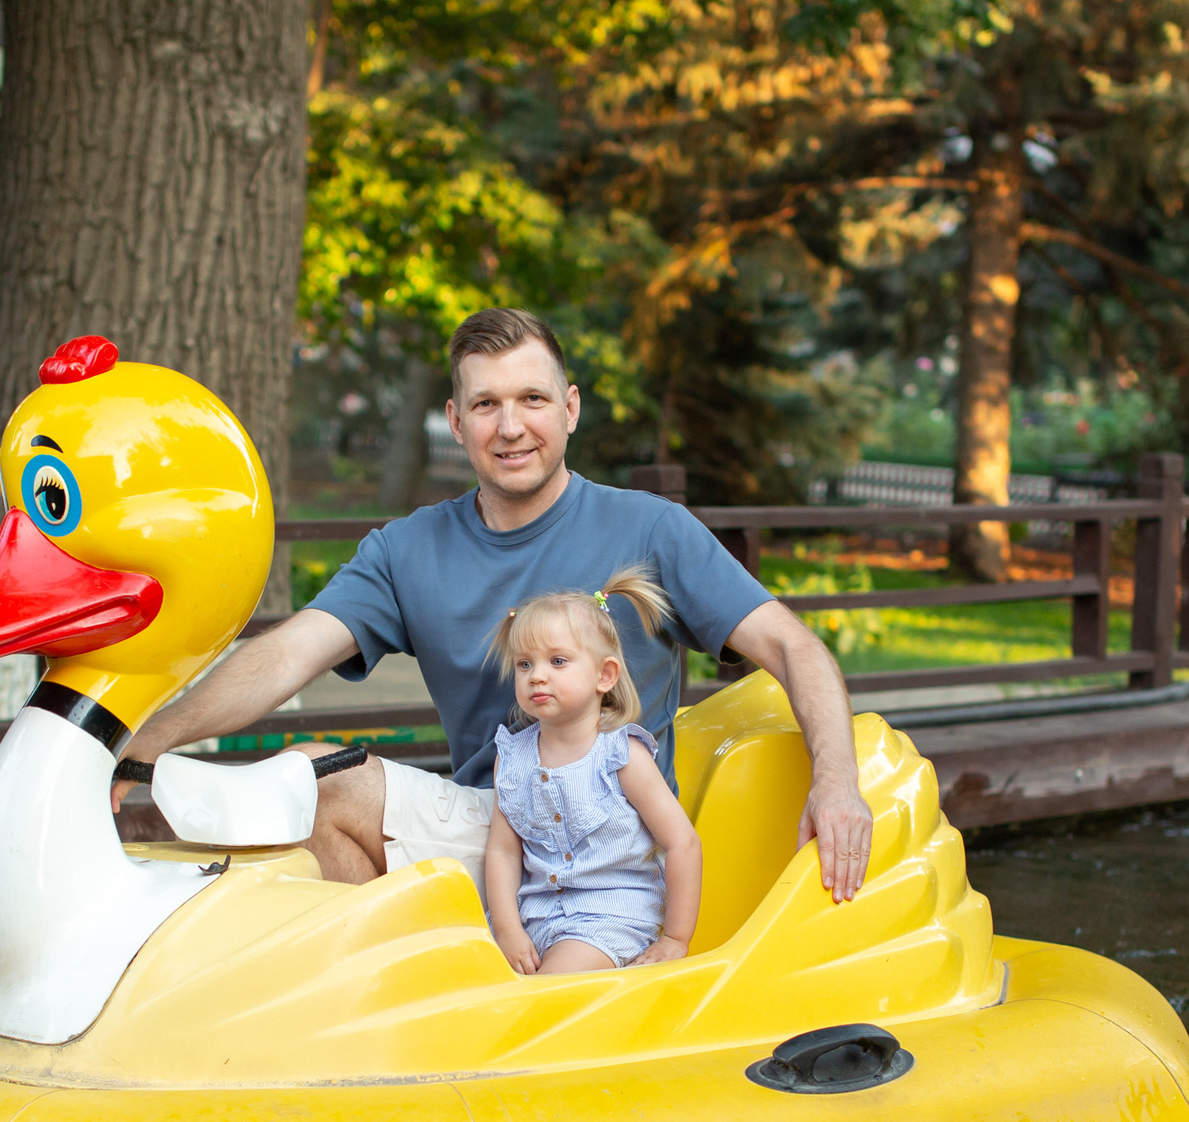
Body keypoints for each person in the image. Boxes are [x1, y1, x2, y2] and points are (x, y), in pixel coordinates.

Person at [110, 307, 873, 903]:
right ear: (456, 418)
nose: (511, 427)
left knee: (320, 783)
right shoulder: (407, 549)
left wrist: (837, 782)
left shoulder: (651, 529)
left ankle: (423, 985)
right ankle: (409, 997)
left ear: (570, 408)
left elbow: (793, 646)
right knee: (306, 779)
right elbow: (285, 653)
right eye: (486, 404)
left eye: (532, 399)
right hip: (493, 827)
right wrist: (145, 739)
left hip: (612, 843)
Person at [484, 568, 702, 975]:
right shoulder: (511, 758)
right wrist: (508, 930)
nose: (537, 676)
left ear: (605, 675)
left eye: (558, 661)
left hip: (610, 918)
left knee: (547, 990)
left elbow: (682, 843)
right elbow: (503, 851)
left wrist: (675, 937)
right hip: (536, 918)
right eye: (524, 664)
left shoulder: (621, 755)